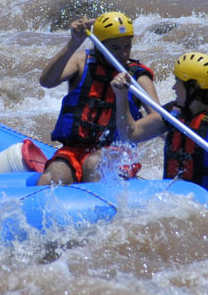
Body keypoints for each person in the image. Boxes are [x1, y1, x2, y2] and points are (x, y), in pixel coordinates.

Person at [111, 52, 208, 211]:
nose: (173, 88)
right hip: (176, 203)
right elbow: (131, 134)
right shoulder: (174, 111)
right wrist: (121, 96)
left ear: (193, 88)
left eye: (178, 83)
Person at [37, 11, 159, 185]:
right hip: (74, 150)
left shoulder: (138, 77)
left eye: (127, 46)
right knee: (51, 177)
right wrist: (73, 44)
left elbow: (159, 120)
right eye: (115, 48)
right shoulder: (81, 62)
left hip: (119, 153)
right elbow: (47, 81)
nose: (123, 54)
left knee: (94, 164)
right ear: (100, 46)